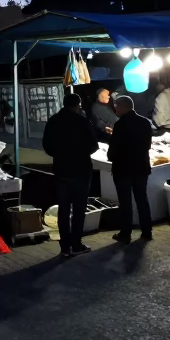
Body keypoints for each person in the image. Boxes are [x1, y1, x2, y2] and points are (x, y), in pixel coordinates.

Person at [42, 93, 99, 257]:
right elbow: (93, 146)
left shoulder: (53, 121)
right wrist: (80, 153)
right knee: (79, 209)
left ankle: (65, 247)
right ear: (78, 105)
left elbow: (47, 146)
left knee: (63, 209)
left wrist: (60, 154)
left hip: (61, 170)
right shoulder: (83, 122)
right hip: (81, 170)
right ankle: (76, 244)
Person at [107, 96, 153, 243]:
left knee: (125, 202)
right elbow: (148, 146)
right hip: (141, 167)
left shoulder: (120, 124)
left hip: (123, 169)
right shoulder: (145, 122)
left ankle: (125, 234)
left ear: (122, 106)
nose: (115, 109)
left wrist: (111, 156)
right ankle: (147, 232)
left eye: (116, 106)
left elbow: (114, 148)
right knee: (142, 199)